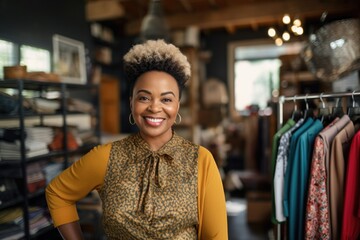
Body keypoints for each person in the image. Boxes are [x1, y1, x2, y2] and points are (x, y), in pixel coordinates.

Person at [46, 39, 228, 240]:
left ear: (177, 106)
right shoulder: (106, 157)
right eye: (144, 97)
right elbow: (57, 193)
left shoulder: (200, 160)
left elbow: (216, 236)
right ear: (132, 103)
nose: (154, 107)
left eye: (166, 99)